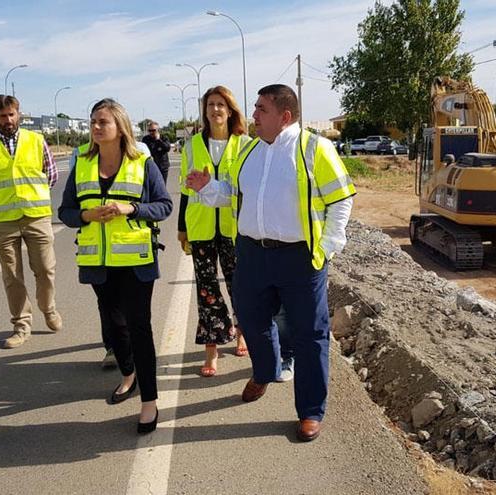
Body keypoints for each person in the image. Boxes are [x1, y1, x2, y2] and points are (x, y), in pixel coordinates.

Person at [186, 84, 355, 442]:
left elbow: (341, 199)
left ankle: (310, 411)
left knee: (309, 334)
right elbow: (232, 194)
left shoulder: (314, 148)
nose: (254, 116)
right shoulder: (250, 151)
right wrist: (206, 187)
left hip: (300, 257)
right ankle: (265, 370)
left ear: (285, 116)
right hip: (252, 253)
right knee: (249, 317)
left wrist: (327, 247)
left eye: (261, 110)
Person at [59, 98, 171, 434]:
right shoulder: (81, 163)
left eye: (102, 122)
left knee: (139, 327)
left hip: (136, 262)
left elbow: (164, 205)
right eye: (92, 121)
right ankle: (128, 374)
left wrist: (131, 209)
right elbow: (64, 212)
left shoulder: (142, 162)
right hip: (97, 262)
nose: (95, 127)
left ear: (119, 126)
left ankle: (149, 402)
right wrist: (85, 215)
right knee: (114, 325)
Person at [177, 85, 250, 377]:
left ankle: (242, 332)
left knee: (239, 285)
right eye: (210, 105)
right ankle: (212, 348)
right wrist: (182, 227)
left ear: (230, 109)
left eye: (221, 104)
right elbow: (185, 190)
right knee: (206, 288)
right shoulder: (192, 145)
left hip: (235, 228)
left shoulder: (245, 144)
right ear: (205, 111)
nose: (215, 110)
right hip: (201, 226)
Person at [0, 95, 61, 349]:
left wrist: (32, 196)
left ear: (19, 114)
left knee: (45, 269)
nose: (8, 120)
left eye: (12, 114)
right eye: (2, 116)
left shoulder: (35, 140)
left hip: (36, 216)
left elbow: (51, 174)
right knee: (12, 276)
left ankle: (48, 309)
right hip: (2, 221)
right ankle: (21, 325)